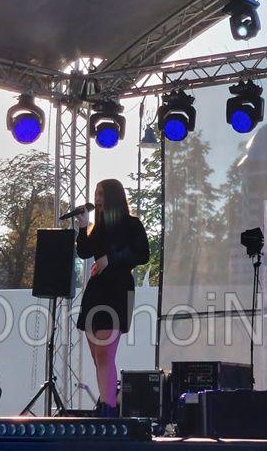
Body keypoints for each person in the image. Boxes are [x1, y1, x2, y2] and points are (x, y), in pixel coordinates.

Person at [75, 179, 149, 417]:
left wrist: (110, 258)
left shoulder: (132, 224)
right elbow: (84, 251)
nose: (96, 198)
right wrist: (83, 227)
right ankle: (110, 400)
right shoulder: (100, 226)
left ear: (113, 196)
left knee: (105, 353)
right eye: (96, 193)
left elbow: (142, 254)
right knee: (98, 356)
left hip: (118, 290)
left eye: (101, 194)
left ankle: (108, 408)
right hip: (96, 290)